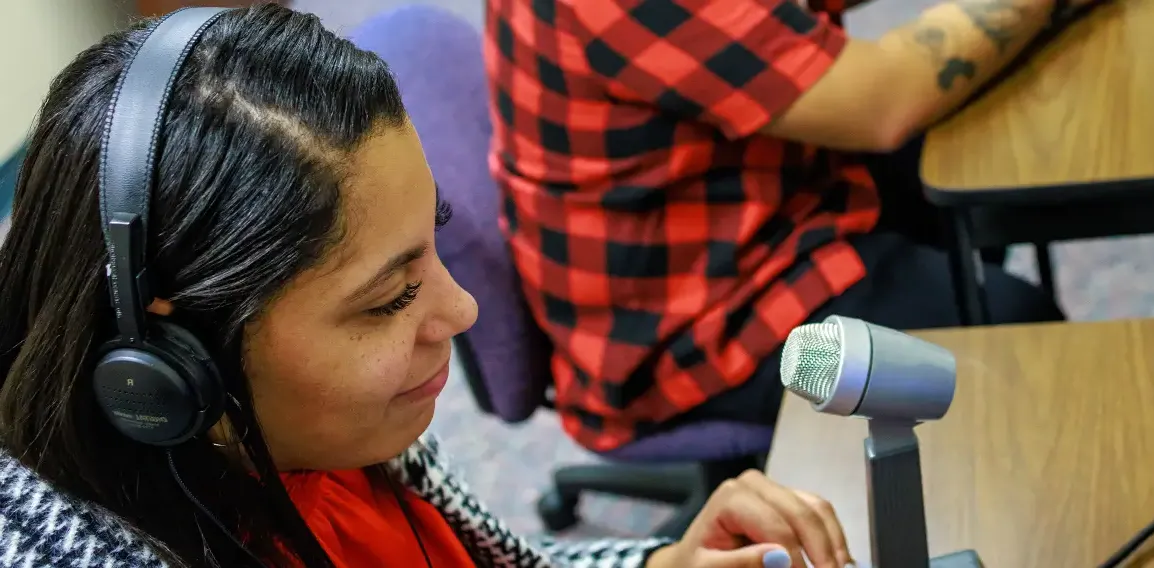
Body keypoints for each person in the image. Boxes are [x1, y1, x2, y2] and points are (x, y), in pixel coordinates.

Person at [0, 5, 852, 567]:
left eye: (431, 247)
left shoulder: (331, 431)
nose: (463, 310)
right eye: (387, 299)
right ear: (172, 356)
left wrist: (663, 563)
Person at [486, 0, 1101, 453]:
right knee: (1022, 348)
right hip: (689, 325)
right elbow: (881, 102)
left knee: (989, 152)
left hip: (761, 190)